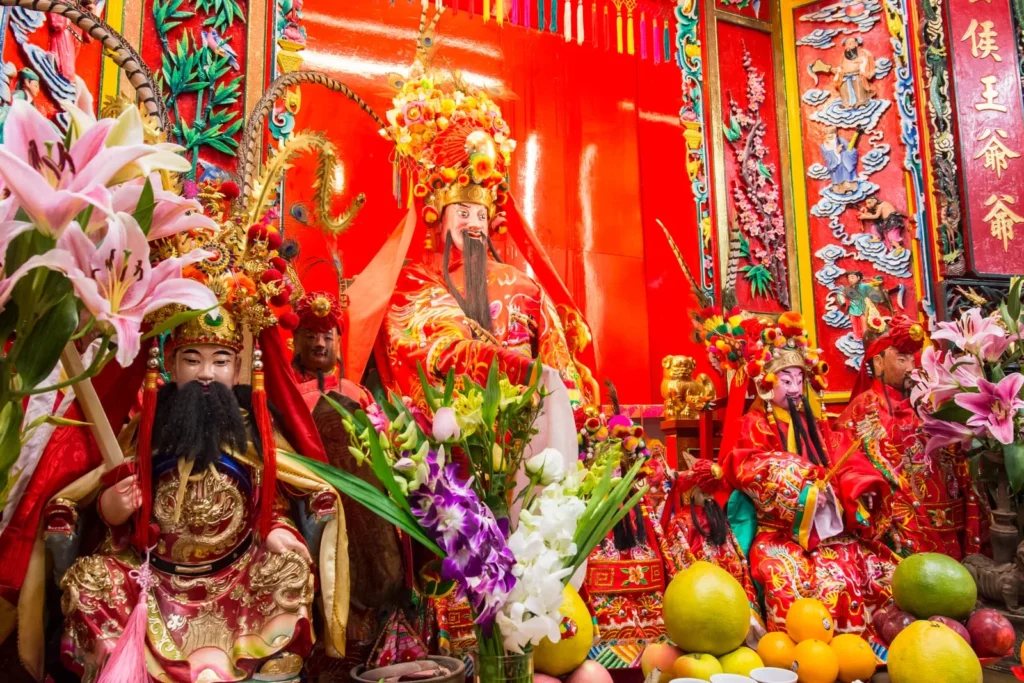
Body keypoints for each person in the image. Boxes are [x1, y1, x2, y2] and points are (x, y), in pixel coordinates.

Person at [58, 222, 349, 683]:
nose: (207, 373)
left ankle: (266, 661)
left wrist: (278, 531)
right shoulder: (146, 429)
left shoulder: (255, 431)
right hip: (154, 578)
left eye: (220, 360)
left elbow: (271, 500)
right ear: (170, 365)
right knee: (88, 581)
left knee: (291, 567)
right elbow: (107, 506)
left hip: (236, 578)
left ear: (238, 369)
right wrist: (114, 510)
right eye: (193, 359)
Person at [714, 311, 898, 639]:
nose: (796, 388)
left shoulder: (818, 425)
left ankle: (857, 644)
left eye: (799, 379)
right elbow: (746, 466)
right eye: (786, 381)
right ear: (766, 385)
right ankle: (797, 647)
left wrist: (861, 486)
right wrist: (804, 481)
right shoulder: (754, 424)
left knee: (860, 570)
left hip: (829, 529)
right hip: (779, 531)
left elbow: (846, 459)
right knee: (784, 574)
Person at [833, 315, 987, 560]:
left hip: (944, 513)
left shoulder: (923, 405)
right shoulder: (863, 410)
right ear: (879, 364)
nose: (910, 368)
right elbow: (849, 464)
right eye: (901, 359)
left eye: (912, 359)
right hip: (902, 521)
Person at [292, 290, 371, 410]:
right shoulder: (287, 395)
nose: (320, 343)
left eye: (328, 337)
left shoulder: (357, 393)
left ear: (338, 344)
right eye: (311, 336)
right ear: (296, 342)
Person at [832, 37, 876, 109]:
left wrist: (863, 62)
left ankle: (861, 102)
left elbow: (866, 62)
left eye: (850, 43)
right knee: (843, 86)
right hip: (845, 75)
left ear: (856, 44)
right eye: (847, 44)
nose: (848, 45)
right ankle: (846, 103)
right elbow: (841, 65)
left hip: (857, 74)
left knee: (858, 85)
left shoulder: (862, 53)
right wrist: (838, 70)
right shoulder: (843, 54)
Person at [821, 126, 859, 194]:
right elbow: (827, 156)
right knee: (835, 175)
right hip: (834, 164)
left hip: (844, 162)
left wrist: (847, 154)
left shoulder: (841, 140)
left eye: (832, 134)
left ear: (835, 134)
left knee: (845, 171)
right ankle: (836, 188)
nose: (829, 136)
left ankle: (848, 189)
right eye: (827, 134)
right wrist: (836, 152)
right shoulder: (824, 146)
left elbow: (850, 149)